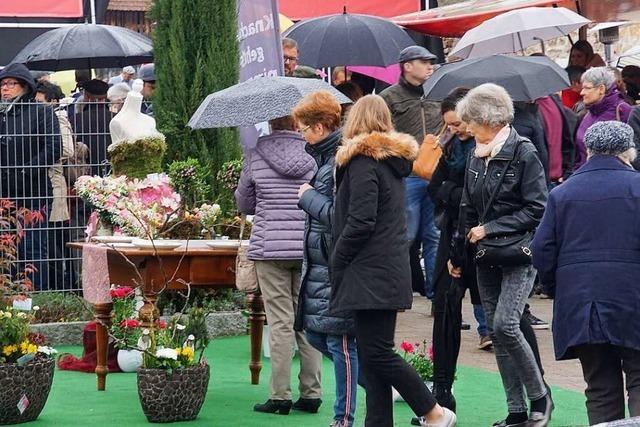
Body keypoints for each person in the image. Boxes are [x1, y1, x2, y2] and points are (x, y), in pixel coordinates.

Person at [330, 94, 456, 427]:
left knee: (376, 354)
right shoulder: (392, 164)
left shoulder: (362, 162)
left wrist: (337, 258)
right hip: (385, 267)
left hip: (368, 270)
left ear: (355, 122)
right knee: (374, 358)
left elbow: (361, 221)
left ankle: (433, 411)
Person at [454, 83, 551, 426]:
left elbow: (538, 207)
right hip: (485, 254)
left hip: (518, 252)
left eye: (471, 122)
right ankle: (515, 410)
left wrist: (491, 229)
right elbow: (467, 206)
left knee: (505, 325)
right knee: (497, 332)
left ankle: (540, 396)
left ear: (489, 120)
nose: (466, 129)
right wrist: (458, 253)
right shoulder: (475, 154)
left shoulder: (523, 152)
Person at [532, 121, 640, 425]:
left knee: (600, 386)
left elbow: (541, 250)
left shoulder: (563, 193)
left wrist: (557, 288)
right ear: (628, 152)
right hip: (634, 298)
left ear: (588, 150)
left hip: (581, 303)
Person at [235, 115, 322, 418]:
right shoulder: (313, 154)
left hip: (269, 247)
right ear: (298, 124)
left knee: (280, 320)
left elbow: (245, 204)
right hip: (305, 246)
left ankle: (280, 396)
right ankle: (311, 393)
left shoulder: (255, 154)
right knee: (306, 317)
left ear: (270, 126)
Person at [293, 91, 359, 427]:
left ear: (320, 127)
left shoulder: (337, 162)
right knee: (319, 335)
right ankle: (390, 383)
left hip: (336, 264)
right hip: (323, 262)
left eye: (304, 128)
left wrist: (308, 198)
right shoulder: (325, 160)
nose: (302, 134)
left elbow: (341, 218)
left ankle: (343, 419)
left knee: (340, 342)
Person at [427, 87, 488, 414]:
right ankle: (441, 391)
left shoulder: (489, 148)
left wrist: (456, 193)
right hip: (452, 237)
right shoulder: (452, 148)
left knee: (502, 321)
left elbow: (481, 194)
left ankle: (524, 400)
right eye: (450, 124)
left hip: (482, 241)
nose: (457, 129)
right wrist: (458, 194)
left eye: (459, 122)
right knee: (445, 312)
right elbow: (434, 188)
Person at [380, 45, 442, 300]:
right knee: (405, 235)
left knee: (434, 235)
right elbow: (383, 135)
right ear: (407, 66)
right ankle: (393, 291)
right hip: (407, 175)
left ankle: (437, 297)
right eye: (424, 61)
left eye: (431, 62)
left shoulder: (438, 92)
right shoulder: (389, 97)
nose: (430, 66)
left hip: (437, 174)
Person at [0, 63, 61, 291]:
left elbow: (54, 147)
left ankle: (35, 302)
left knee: (33, 250)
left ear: (25, 86)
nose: (5, 89)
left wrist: (27, 169)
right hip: (4, 196)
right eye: (2, 84)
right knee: (8, 251)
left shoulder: (42, 111)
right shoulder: (2, 114)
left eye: (10, 84)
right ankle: (11, 302)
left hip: (34, 193)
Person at [574, 67, 633, 170]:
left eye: (587, 88)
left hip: (614, 178)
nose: (582, 92)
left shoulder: (623, 110)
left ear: (601, 89)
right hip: (585, 176)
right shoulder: (587, 114)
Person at [71, 79, 113, 177]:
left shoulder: (76, 119)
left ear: (86, 97)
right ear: (106, 96)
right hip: (113, 168)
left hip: (84, 171)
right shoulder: (117, 118)